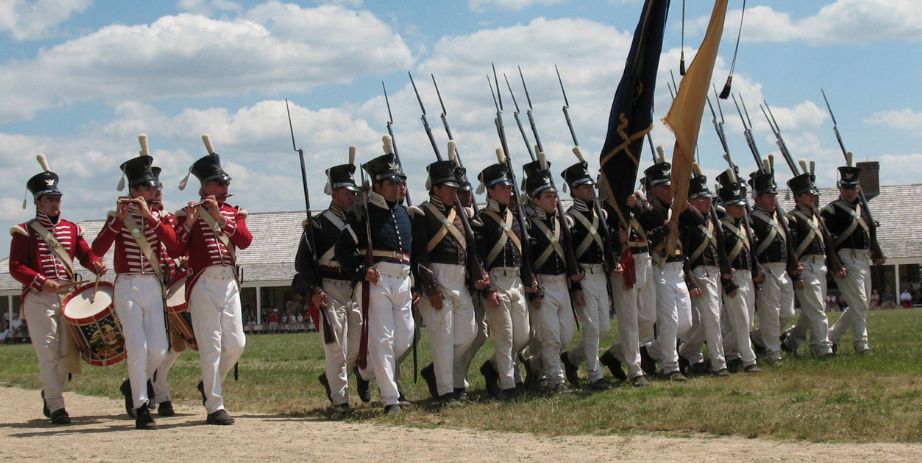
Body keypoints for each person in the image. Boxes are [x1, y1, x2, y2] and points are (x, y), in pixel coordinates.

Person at [8, 153, 108, 425]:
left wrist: (97, 264)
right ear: (38, 201)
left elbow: (85, 255)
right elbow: (16, 266)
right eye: (50, 199)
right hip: (39, 298)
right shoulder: (25, 231)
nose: (55, 203)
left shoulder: (71, 228)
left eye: (57, 198)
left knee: (67, 353)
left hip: (67, 297)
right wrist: (41, 281)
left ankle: (49, 392)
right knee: (49, 351)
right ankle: (56, 406)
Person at [92, 145, 180, 429]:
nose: (152, 193)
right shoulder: (118, 215)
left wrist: (152, 218)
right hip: (127, 285)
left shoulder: (159, 217)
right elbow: (97, 248)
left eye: (153, 188)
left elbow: (175, 246)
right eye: (146, 188)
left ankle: (133, 385)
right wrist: (117, 223)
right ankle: (142, 406)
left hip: (152, 285)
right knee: (138, 347)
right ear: (134, 189)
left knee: (159, 349)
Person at [174, 139, 252, 425]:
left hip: (228, 281)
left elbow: (244, 241)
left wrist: (221, 218)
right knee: (211, 344)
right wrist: (189, 224)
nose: (224, 188)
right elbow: (174, 249)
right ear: (206, 186)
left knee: (236, 343)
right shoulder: (187, 213)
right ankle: (214, 406)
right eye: (219, 183)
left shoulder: (233, 212)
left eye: (224, 183)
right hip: (204, 283)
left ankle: (209, 387)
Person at [335, 136, 413, 415]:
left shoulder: (405, 213)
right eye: (391, 183)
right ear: (377, 185)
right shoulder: (363, 213)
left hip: (403, 280)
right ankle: (390, 398)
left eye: (400, 183)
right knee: (382, 339)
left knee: (405, 338)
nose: (397, 188)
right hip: (376, 279)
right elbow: (343, 249)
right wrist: (359, 271)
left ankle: (366, 370)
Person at [412, 153, 490, 405]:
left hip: (459, 280)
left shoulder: (460, 214)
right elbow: (420, 254)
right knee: (442, 337)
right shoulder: (423, 214)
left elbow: (469, 251)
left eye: (456, 188)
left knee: (469, 333)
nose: (453, 193)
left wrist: (477, 274)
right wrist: (430, 287)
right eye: (449, 188)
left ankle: (437, 370)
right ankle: (447, 392)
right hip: (437, 278)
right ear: (436, 188)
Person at [294, 151, 363, 412]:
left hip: (353, 288)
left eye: (354, 192)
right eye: (347, 192)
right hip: (330, 288)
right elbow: (302, 263)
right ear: (334, 193)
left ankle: (332, 381)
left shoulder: (358, 222)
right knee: (336, 350)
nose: (352, 196)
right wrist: (313, 289)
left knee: (354, 349)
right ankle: (341, 401)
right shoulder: (318, 224)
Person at [522, 153, 583, 394]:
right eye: (548, 196)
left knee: (566, 335)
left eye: (555, 195)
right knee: (552, 337)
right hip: (543, 285)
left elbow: (569, 253)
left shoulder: (561, 222)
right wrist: (532, 288)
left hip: (562, 285)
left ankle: (536, 364)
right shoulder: (527, 224)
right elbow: (526, 259)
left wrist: (575, 284)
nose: (554, 199)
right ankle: (556, 381)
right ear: (535, 199)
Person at [473, 155, 531, 399]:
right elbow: (479, 258)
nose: (509, 190)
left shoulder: (516, 218)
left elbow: (524, 253)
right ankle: (509, 385)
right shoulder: (482, 220)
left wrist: (529, 279)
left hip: (516, 280)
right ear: (490, 190)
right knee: (505, 336)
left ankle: (493, 367)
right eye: (503, 187)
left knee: (523, 335)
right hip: (496, 281)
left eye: (509, 186)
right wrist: (488, 289)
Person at [559, 153, 614, 390]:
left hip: (600, 274)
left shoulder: (600, 214)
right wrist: (576, 285)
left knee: (603, 327)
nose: (591, 189)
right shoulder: (570, 218)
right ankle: (594, 374)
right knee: (592, 327)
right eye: (585, 186)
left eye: (591, 185)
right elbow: (569, 252)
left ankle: (572, 359)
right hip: (584, 277)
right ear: (574, 190)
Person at [635, 157, 693, 381]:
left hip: (678, 270)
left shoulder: (675, 208)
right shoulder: (648, 209)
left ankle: (649, 352)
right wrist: (664, 227)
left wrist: (682, 201)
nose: (671, 191)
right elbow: (646, 233)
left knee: (685, 323)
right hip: (660, 269)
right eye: (667, 187)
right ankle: (671, 366)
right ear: (655, 189)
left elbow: (697, 220)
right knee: (669, 321)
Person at [822, 156, 884, 354]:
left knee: (862, 304)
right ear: (840, 188)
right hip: (846, 258)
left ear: (858, 188)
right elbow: (828, 242)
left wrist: (877, 251)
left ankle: (832, 337)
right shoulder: (830, 211)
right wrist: (836, 263)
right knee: (858, 302)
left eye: (852, 187)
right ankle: (861, 344)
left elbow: (870, 234)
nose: (849, 191)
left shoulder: (864, 209)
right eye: (845, 187)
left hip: (863, 258)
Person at [677, 170, 731, 377]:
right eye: (701, 199)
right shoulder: (688, 224)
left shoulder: (714, 220)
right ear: (691, 202)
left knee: (711, 319)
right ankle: (719, 364)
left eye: (708, 198)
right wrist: (690, 280)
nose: (707, 202)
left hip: (715, 272)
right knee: (712, 318)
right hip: (700, 272)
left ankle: (686, 351)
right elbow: (685, 255)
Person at [780, 169, 836, 358]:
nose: (813, 197)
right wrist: (795, 273)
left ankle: (791, 340)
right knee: (817, 309)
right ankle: (822, 347)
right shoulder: (792, 219)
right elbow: (792, 249)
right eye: (808, 194)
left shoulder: (817, 217)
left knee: (812, 309)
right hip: (805, 266)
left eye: (813, 194)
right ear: (798, 196)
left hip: (820, 265)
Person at [748, 163, 797, 363]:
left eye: (774, 195)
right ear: (757, 198)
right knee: (770, 315)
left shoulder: (779, 219)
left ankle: (758, 339)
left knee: (787, 313)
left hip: (782, 270)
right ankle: (773, 353)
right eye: (768, 195)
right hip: (766, 269)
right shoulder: (752, 219)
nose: (772, 199)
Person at [716, 170, 761, 374]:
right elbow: (720, 258)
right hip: (732, 277)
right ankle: (749, 360)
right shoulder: (721, 230)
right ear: (726, 207)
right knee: (742, 321)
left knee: (747, 321)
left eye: (742, 206)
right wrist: (727, 281)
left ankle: (726, 350)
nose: (740, 209)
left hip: (747, 277)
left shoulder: (744, 228)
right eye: (736, 206)